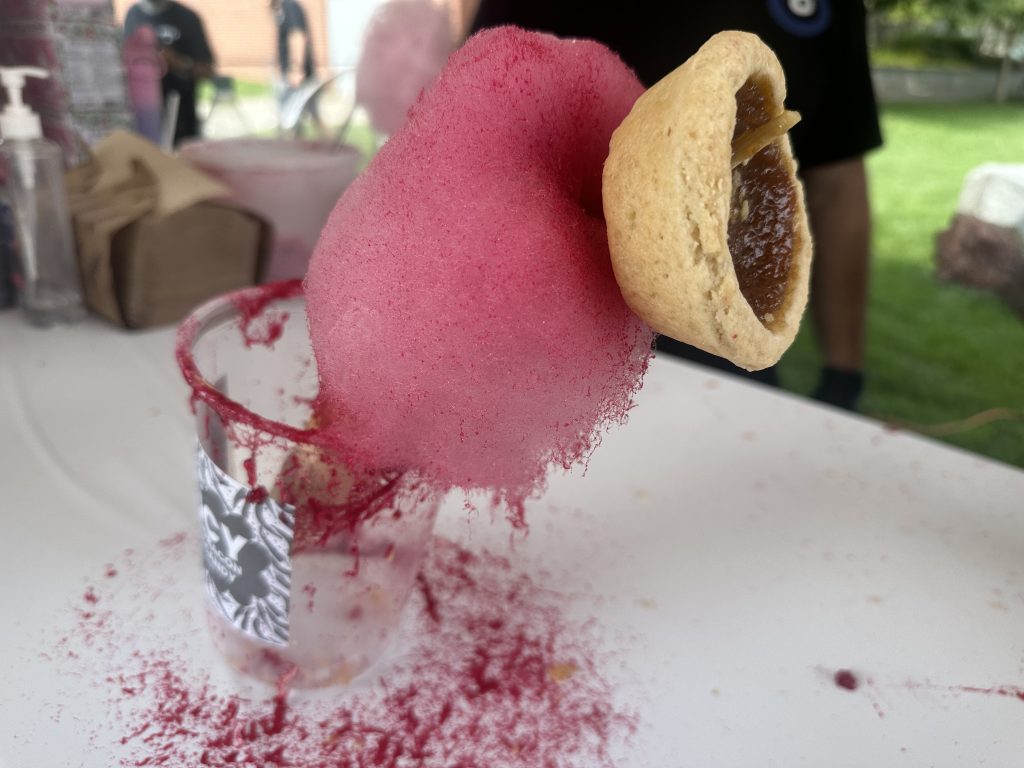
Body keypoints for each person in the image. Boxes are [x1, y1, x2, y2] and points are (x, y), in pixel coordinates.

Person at [470, 0, 881, 411]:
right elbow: (479, 113)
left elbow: (839, 184)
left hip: (717, 357)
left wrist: (843, 372)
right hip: (536, 327)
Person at [124, 0, 215, 146]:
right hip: (143, 114)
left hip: (179, 115)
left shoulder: (187, 17)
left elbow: (207, 70)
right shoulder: (133, 14)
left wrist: (178, 62)